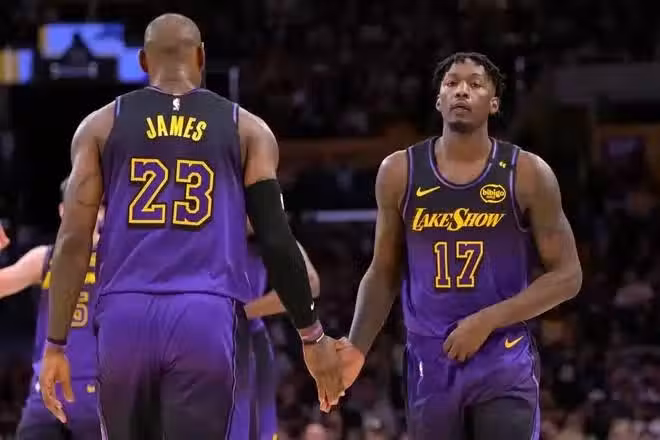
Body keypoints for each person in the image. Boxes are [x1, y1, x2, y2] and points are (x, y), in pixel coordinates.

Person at [38, 13, 342, 440]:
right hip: (205, 314)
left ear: (143, 62)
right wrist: (312, 335)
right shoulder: (248, 129)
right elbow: (276, 239)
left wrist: (56, 344)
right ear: (201, 57)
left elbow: (72, 241)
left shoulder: (100, 125)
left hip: (124, 314)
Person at [333, 52, 583, 439]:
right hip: (429, 361)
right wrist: (356, 347)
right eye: (452, 83)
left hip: (502, 356)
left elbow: (568, 276)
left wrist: (486, 321)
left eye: (475, 84)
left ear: (494, 103)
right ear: (438, 100)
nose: (461, 91)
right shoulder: (400, 172)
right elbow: (383, 271)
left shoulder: (527, 173)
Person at [0, 178, 104, 440]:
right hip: (46, 396)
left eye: (96, 205)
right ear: (62, 210)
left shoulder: (120, 260)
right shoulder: (46, 258)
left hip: (100, 397)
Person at [244, 219, 320, 440]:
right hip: (201, 337)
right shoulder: (209, 230)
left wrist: (243, 312)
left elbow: (309, 283)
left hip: (249, 340)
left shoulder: (269, 230)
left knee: (261, 429)